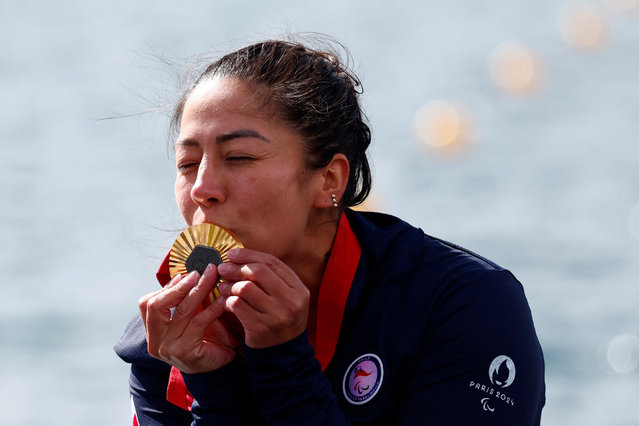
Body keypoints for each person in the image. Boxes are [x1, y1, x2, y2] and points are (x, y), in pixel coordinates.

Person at [115, 38, 545, 425]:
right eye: (187, 164)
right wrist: (210, 383)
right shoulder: (167, 340)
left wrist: (285, 362)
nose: (203, 188)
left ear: (329, 181)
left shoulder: (464, 306)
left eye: (239, 157)